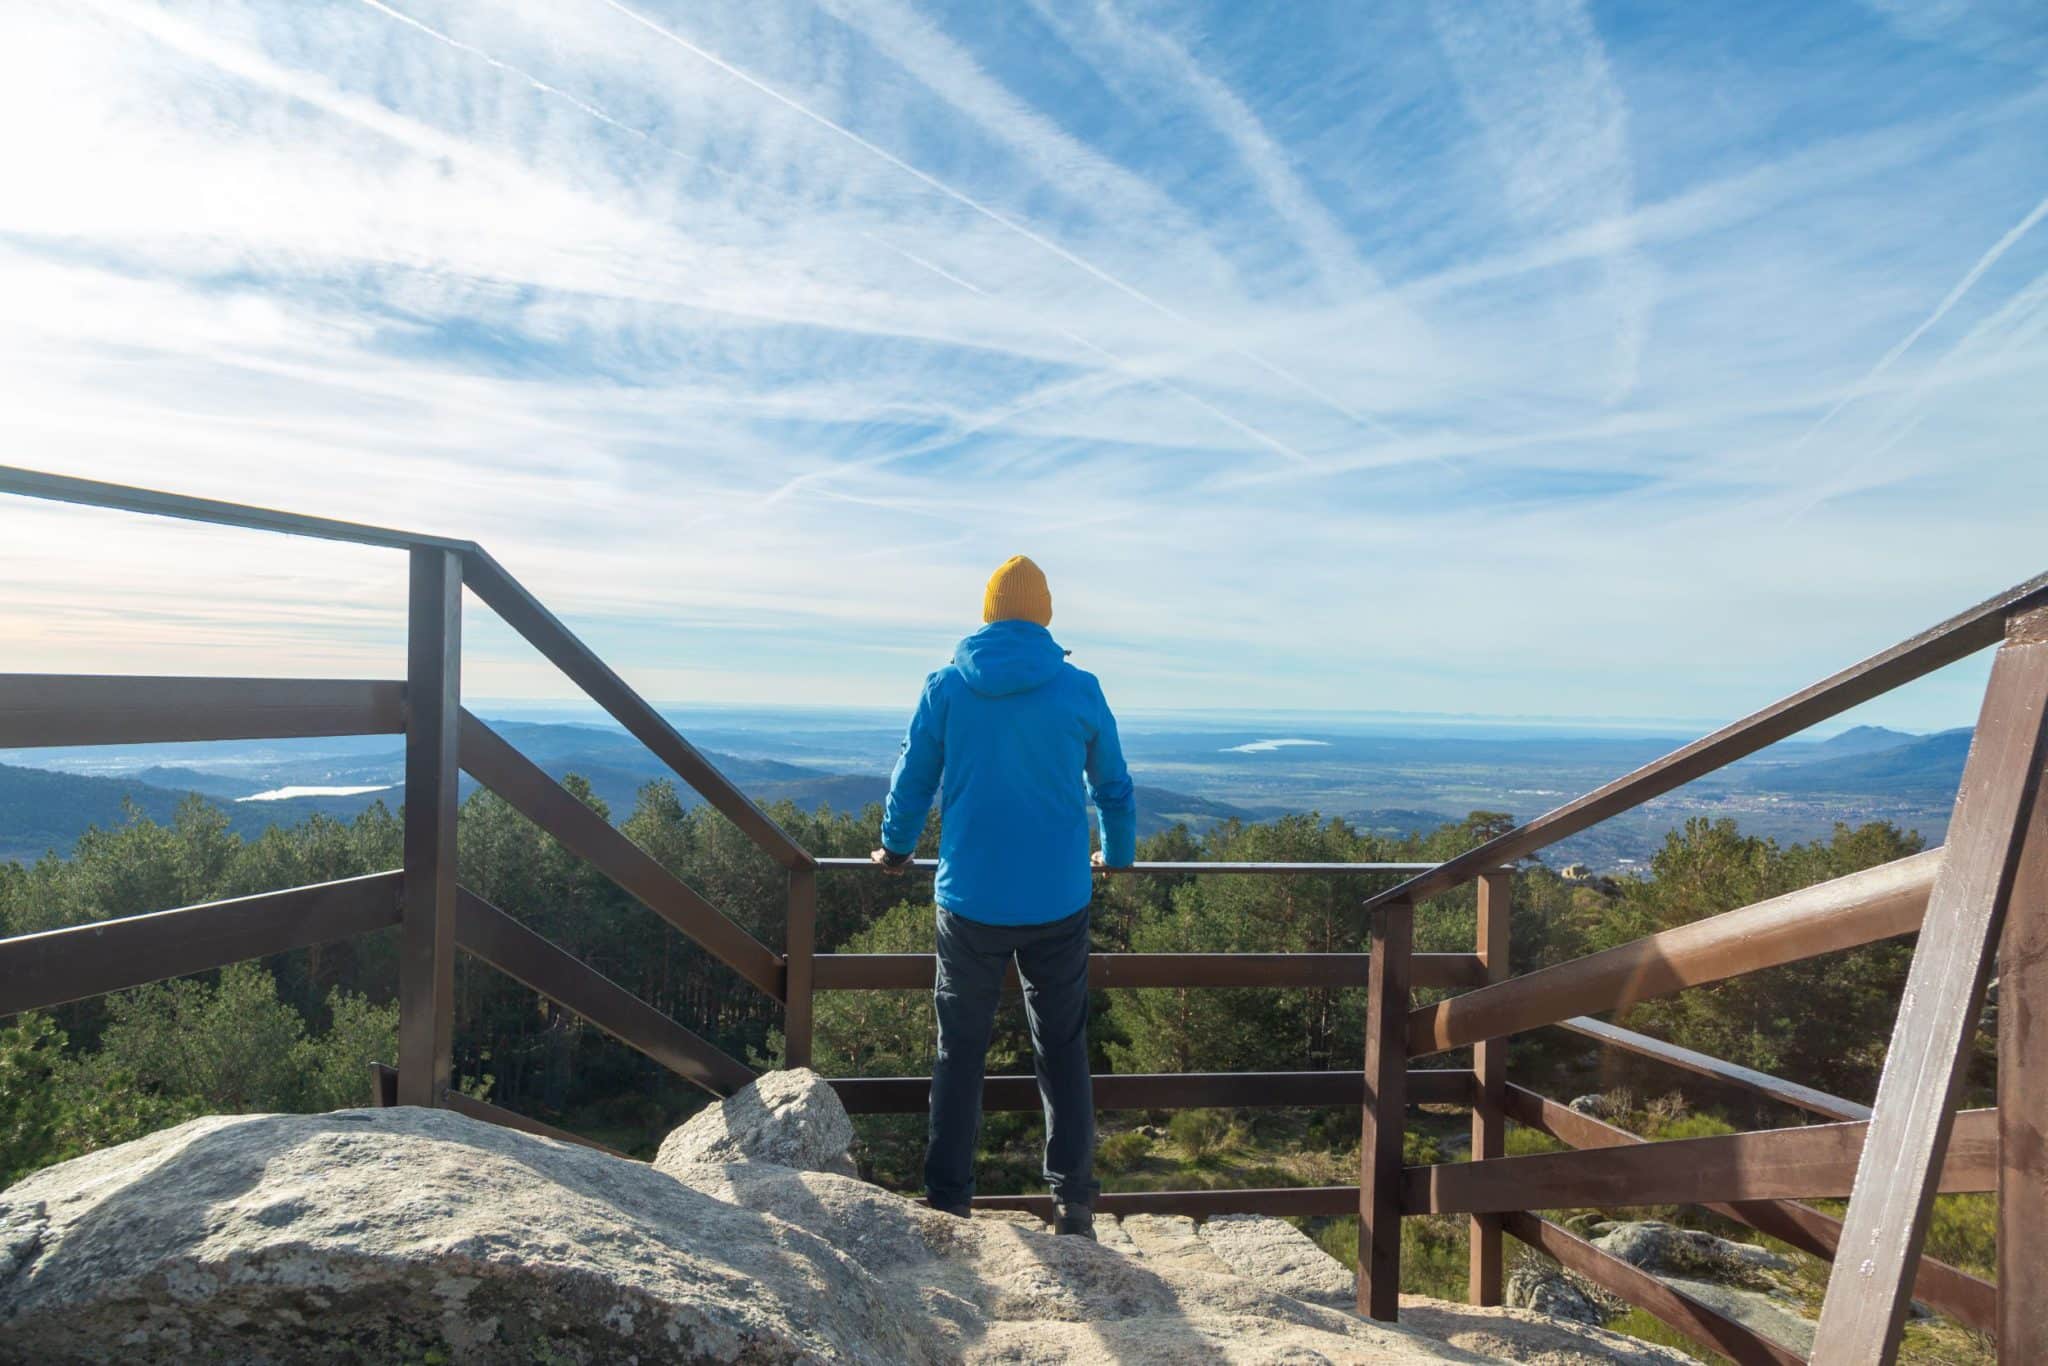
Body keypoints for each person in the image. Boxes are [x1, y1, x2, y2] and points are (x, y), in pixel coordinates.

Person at [871, 555, 1136, 1239]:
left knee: (959, 1051)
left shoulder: (948, 688)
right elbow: (1114, 786)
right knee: (1062, 1049)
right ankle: (1074, 1204)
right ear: (1044, 614)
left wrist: (895, 849)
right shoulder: (1078, 688)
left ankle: (948, 1200)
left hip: (969, 900)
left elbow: (912, 779)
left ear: (988, 613)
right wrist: (1120, 853)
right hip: (1059, 899)